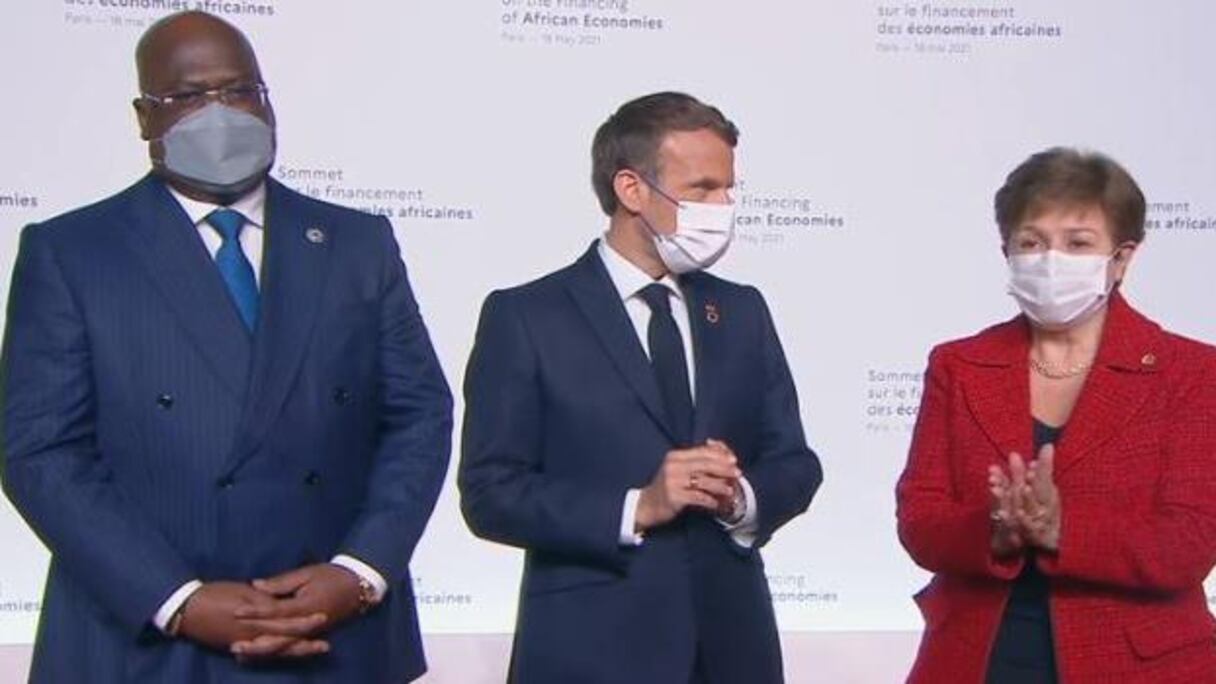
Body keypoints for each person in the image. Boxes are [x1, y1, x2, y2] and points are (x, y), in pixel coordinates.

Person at [0, 11, 452, 683]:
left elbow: (418, 416)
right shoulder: (71, 252)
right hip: (148, 645)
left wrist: (358, 572)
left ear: (268, 100)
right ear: (144, 116)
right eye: (188, 96)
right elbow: (41, 451)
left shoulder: (358, 243)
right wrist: (176, 600)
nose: (220, 111)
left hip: (336, 632)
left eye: (239, 90)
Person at [459, 91, 822, 683]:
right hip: (588, 652)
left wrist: (741, 499)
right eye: (703, 188)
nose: (724, 206)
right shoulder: (526, 317)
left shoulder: (742, 310)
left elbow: (795, 462)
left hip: (733, 651)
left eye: (729, 189)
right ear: (631, 190)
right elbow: (489, 491)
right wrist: (639, 506)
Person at [896, 147, 1216, 683]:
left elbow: (1189, 543)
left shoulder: (1191, 372)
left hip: (1141, 666)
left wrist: (1061, 527)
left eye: (1077, 244)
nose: (1050, 260)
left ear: (1122, 257)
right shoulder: (958, 365)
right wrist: (995, 530)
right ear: (1007, 251)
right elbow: (920, 521)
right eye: (1031, 242)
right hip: (975, 659)